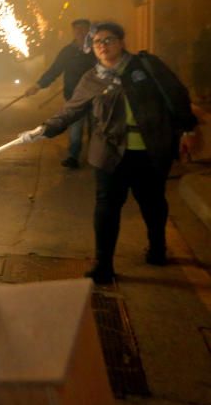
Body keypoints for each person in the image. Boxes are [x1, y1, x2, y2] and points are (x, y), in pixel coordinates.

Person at [18, 22, 200, 284]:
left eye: (109, 40)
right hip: (109, 153)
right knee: (106, 208)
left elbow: (176, 94)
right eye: (97, 42)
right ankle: (103, 264)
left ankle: (157, 248)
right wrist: (43, 130)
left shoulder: (146, 67)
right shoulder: (92, 78)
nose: (103, 46)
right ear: (91, 48)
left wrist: (188, 129)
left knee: (152, 203)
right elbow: (71, 111)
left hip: (148, 150)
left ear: (121, 42)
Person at [23, 18, 96, 168]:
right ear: (73, 32)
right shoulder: (67, 52)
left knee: (97, 129)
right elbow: (54, 70)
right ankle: (73, 157)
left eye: (84, 29)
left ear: (90, 31)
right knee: (75, 129)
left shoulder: (97, 49)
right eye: (77, 30)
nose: (81, 33)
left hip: (97, 97)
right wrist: (38, 85)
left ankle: (97, 157)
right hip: (74, 98)